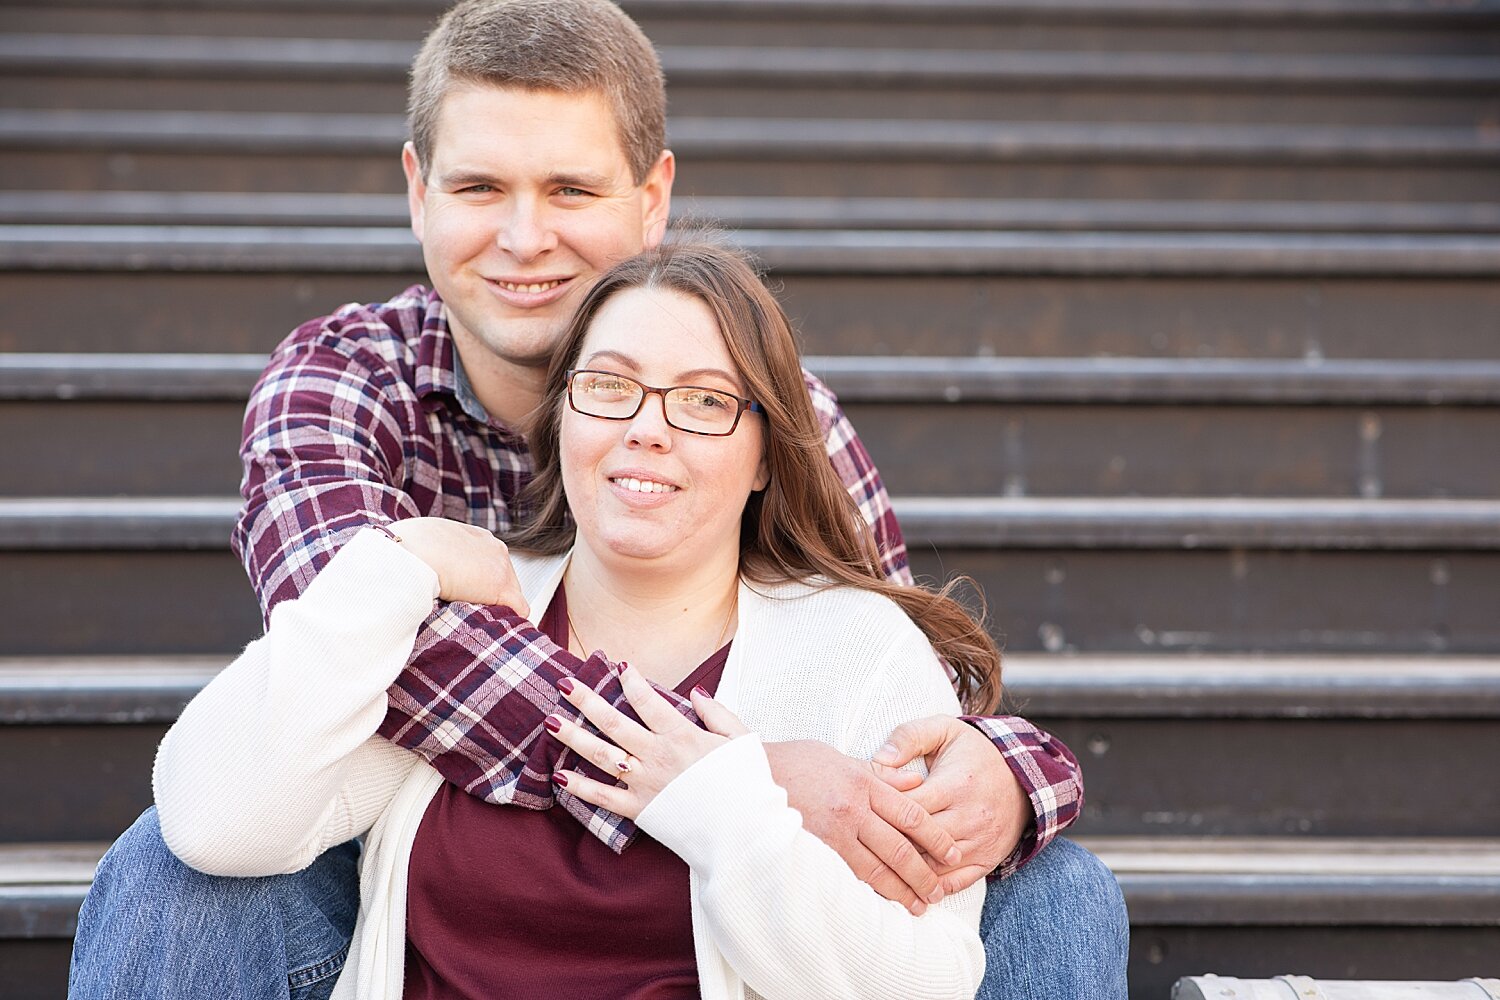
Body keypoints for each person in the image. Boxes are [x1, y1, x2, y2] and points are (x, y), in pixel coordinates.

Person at [68, 1, 1127, 997]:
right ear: (417, 191)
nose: (526, 239)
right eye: (481, 188)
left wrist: (1011, 770)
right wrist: (734, 767)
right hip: (369, 852)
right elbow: (365, 654)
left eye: (571, 191)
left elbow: (896, 709)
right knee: (175, 872)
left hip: (723, 892)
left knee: (1054, 886)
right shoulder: (342, 384)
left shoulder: (790, 415)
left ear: (652, 198)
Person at [152, 238, 1000, 999]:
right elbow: (215, 824)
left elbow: (923, 983)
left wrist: (721, 804)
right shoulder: (465, 625)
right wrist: (390, 563)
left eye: (704, 402)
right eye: (608, 386)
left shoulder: (859, 654)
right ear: (561, 418)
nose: (645, 429)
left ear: (764, 456)